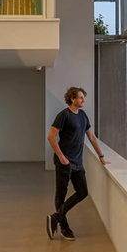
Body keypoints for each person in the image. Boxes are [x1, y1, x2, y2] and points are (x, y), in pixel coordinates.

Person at [46, 87, 109, 241]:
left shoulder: (82, 115)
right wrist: (61, 157)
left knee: (82, 192)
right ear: (72, 99)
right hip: (64, 161)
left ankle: (56, 217)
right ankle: (64, 227)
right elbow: (51, 137)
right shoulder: (64, 115)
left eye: (83, 97)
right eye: (80, 97)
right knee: (61, 194)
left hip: (77, 162)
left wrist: (101, 156)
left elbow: (92, 137)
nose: (83, 100)